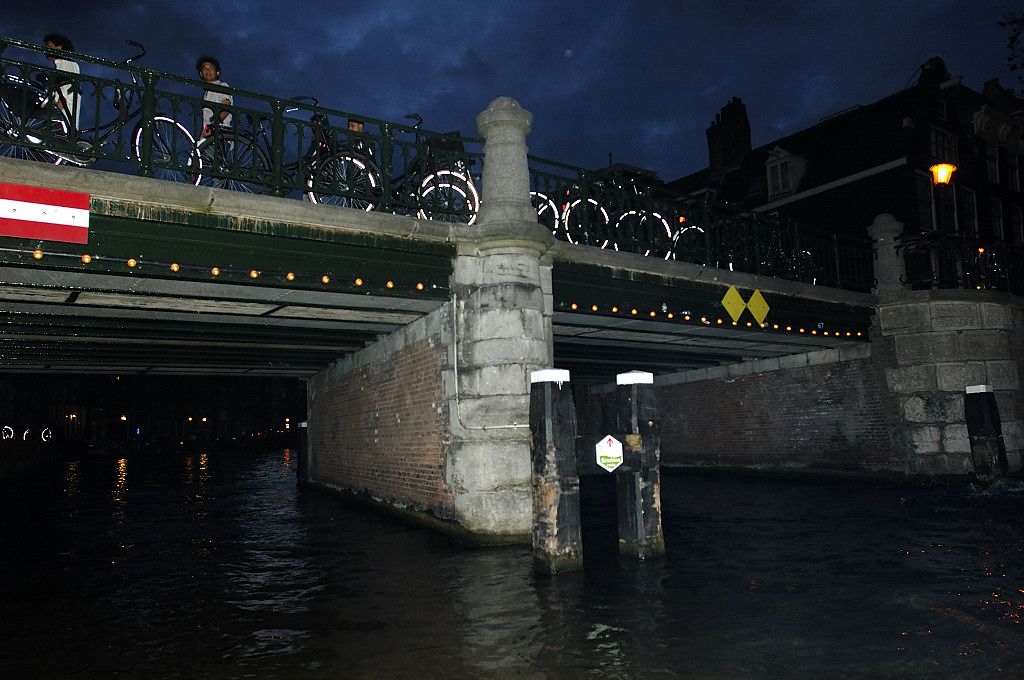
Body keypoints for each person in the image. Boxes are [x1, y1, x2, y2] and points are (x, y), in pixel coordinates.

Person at [43, 33, 80, 130]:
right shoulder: (63, 65)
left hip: (62, 122)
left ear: (59, 47)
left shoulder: (67, 64)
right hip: (61, 122)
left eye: (49, 45)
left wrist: (52, 118)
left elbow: (66, 94)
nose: (45, 48)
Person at [195, 56, 232, 138]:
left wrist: (211, 127)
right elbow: (206, 120)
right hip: (209, 134)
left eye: (211, 68)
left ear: (217, 72)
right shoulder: (206, 93)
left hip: (220, 133)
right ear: (201, 73)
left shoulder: (222, 86)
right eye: (204, 68)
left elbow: (226, 108)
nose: (207, 71)